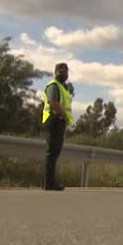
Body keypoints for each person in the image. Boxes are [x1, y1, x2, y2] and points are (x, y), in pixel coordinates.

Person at [42, 62, 74, 191]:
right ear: (55, 72)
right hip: (54, 120)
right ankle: (49, 183)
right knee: (51, 153)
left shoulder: (63, 87)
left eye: (65, 72)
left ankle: (50, 181)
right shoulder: (54, 86)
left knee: (55, 153)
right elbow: (54, 103)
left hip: (59, 121)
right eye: (61, 71)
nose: (64, 74)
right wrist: (65, 116)